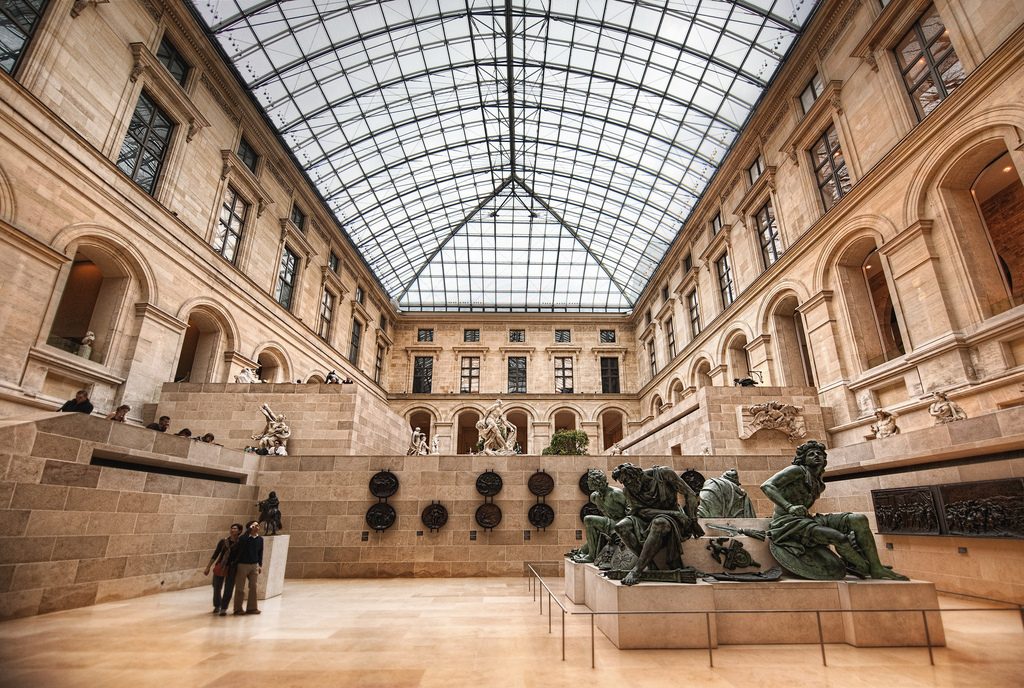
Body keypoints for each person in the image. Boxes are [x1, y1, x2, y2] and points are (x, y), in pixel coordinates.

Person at [761, 440, 907, 580]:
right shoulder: (796, 471)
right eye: (811, 454)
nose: (816, 456)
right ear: (803, 459)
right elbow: (767, 485)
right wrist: (789, 507)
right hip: (787, 524)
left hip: (806, 520)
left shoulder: (819, 482)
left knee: (858, 519)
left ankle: (876, 568)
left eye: (819, 454)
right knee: (839, 538)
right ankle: (862, 566)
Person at [611, 462, 703, 585]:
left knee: (659, 523)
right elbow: (642, 512)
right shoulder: (628, 490)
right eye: (623, 483)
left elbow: (690, 493)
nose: (627, 485)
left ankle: (637, 570)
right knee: (620, 527)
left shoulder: (664, 474)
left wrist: (693, 519)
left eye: (627, 481)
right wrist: (674, 514)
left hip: (670, 518)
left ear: (636, 475)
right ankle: (650, 564)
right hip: (647, 517)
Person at [203, 523, 242, 616]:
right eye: (232, 528)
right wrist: (208, 567)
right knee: (216, 586)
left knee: (229, 588)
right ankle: (217, 605)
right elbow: (215, 554)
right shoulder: (223, 541)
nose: (232, 530)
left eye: (235, 529)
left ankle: (224, 608)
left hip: (232, 568)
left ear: (240, 531)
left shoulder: (240, 543)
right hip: (221, 565)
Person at [232, 520, 264, 615]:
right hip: (242, 565)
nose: (257, 527)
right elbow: (241, 545)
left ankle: (252, 608)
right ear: (249, 527)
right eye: (254, 526)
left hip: (254, 565)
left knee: (253, 587)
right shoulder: (244, 538)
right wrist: (248, 531)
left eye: (258, 525)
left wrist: (260, 565)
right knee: (240, 588)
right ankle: (238, 609)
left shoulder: (260, 539)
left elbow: (260, 553)